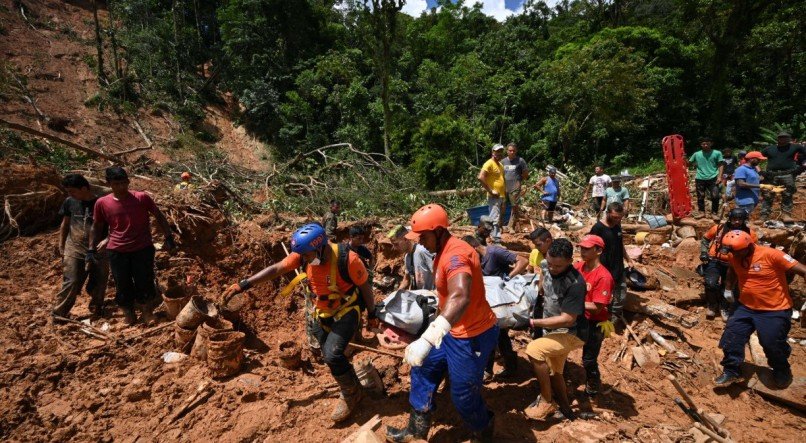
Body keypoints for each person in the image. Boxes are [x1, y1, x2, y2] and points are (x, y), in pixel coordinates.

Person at [222, 223, 377, 422]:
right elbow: (276, 268)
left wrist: (372, 314)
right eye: (302, 256)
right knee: (327, 352)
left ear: (321, 247)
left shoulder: (349, 259)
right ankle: (352, 383)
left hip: (347, 310)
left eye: (307, 255)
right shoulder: (305, 254)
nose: (303, 259)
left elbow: (365, 288)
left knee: (332, 354)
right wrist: (244, 284)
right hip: (322, 311)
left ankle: (351, 394)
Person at [386, 204, 498, 442]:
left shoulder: (456, 255)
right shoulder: (441, 252)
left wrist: (428, 337)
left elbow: (460, 296)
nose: (420, 242)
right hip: (450, 330)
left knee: (463, 395)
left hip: (472, 335)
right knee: (422, 368)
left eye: (423, 236)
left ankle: (484, 429)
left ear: (438, 231)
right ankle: (416, 432)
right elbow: (446, 298)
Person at [715, 230, 806, 389]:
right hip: (745, 306)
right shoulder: (734, 255)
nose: (734, 256)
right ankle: (731, 370)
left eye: (737, 252)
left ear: (748, 246)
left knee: (771, 343)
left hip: (774, 309)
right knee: (732, 336)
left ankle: (781, 369)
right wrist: (728, 289)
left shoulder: (772, 255)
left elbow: (803, 270)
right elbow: (732, 271)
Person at [89, 167, 175, 325]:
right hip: (117, 249)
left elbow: (159, 215)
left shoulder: (141, 198)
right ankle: (128, 313)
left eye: (124, 182)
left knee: (145, 281)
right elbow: (97, 226)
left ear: (128, 181)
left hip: (142, 248)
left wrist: (169, 236)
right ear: (109, 184)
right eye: (117, 183)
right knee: (122, 283)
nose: (122, 186)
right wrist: (91, 247)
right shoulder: (102, 203)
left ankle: (147, 312)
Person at [522, 238, 586, 420]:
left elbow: (567, 319)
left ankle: (546, 400)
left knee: (534, 350)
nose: (552, 268)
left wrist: (534, 322)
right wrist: (538, 295)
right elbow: (543, 276)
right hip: (551, 328)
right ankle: (567, 411)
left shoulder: (575, 284)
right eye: (550, 263)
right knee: (555, 372)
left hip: (571, 333)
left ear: (569, 261)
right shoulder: (545, 264)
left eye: (558, 266)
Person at [462, 235, 528, 380]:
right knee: (493, 336)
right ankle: (497, 369)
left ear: (474, 248)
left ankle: (502, 369)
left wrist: (508, 277)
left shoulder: (494, 253)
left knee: (498, 336)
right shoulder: (476, 261)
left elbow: (523, 261)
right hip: (487, 305)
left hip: (501, 305)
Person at [53, 174, 110, 321]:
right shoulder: (69, 202)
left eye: (72, 191)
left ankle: (97, 308)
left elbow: (115, 226)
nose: (70, 194)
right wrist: (61, 246)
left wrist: (107, 240)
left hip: (99, 249)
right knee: (71, 281)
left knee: (99, 281)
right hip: (74, 248)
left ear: (84, 188)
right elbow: (65, 224)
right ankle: (59, 313)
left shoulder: (102, 203)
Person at [700, 208, 758, 321]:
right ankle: (712, 305)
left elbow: (755, 249)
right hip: (715, 260)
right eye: (734, 219)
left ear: (744, 220)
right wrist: (703, 252)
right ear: (730, 219)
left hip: (735, 264)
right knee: (710, 283)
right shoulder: (719, 228)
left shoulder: (750, 233)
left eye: (740, 219)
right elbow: (705, 238)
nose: (737, 222)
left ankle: (724, 306)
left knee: (729, 287)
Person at [574, 235, 614, 396]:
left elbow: (597, 308)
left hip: (595, 323)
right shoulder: (578, 267)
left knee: (589, 358)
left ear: (598, 251)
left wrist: (571, 303)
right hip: (577, 318)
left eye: (587, 249)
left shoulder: (603, 277)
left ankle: (593, 383)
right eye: (581, 248)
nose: (582, 251)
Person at [589, 202, 633, 323]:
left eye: (619, 217)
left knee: (620, 298)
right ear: (607, 213)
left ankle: (612, 323)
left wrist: (628, 259)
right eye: (614, 217)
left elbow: (620, 244)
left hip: (618, 268)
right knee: (603, 298)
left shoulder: (617, 225)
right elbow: (589, 247)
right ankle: (600, 322)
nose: (617, 220)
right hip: (604, 270)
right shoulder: (598, 228)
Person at [760, 132, 806, 223]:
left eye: (786, 137)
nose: (784, 139)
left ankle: (786, 215)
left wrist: (803, 166)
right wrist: (760, 171)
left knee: (787, 195)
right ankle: (764, 216)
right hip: (771, 175)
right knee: (768, 195)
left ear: (789, 138)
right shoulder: (769, 149)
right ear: (778, 138)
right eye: (781, 137)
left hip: (788, 174)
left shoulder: (795, 147)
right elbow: (756, 157)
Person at [387, 225, 435, 291]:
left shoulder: (422, 251)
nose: (394, 248)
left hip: (432, 296)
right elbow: (406, 280)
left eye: (396, 244)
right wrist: (396, 294)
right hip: (420, 296)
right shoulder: (407, 257)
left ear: (405, 239)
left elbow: (440, 274)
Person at [687, 137, 724, 219]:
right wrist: (683, 158)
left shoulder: (717, 153)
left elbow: (721, 165)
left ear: (711, 143)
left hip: (713, 177)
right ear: (701, 145)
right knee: (700, 196)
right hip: (700, 177)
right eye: (703, 144)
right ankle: (701, 212)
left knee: (715, 196)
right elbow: (688, 164)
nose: (705, 145)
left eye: (707, 143)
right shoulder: (696, 154)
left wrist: (719, 177)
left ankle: (714, 213)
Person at [478, 144, 506, 243]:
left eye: (500, 151)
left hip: (501, 196)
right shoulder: (489, 163)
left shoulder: (501, 165)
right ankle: (496, 240)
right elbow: (481, 177)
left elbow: (501, 180)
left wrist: (504, 195)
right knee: (495, 218)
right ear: (492, 152)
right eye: (497, 151)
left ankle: (481, 233)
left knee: (494, 218)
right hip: (494, 196)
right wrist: (490, 190)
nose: (499, 153)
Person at [502, 142, 529, 232]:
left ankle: (511, 226)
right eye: (510, 150)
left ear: (516, 151)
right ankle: (500, 225)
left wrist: (520, 181)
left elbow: (525, 173)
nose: (512, 152)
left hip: (515, 187)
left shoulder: (520, 161)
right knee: (502, 206)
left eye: (513, 150)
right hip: (504, 187)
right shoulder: (503, 162)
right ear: (507, 151)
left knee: (514, 206)